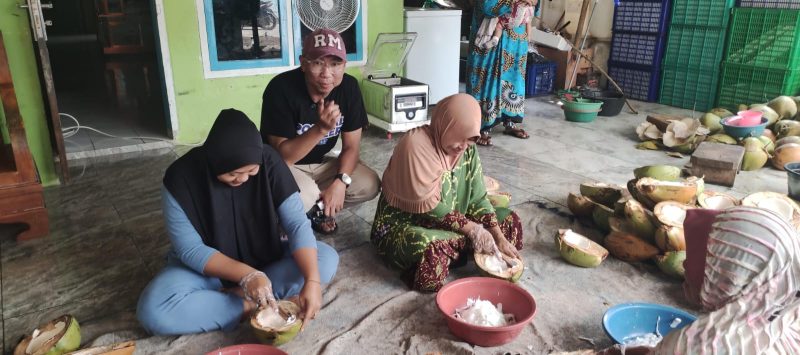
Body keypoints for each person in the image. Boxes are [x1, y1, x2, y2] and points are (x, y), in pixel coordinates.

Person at [137, 109, 339, 335]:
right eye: (233, 174)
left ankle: (238, 299)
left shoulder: (269, 161)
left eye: (251, 172)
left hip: (265, 258)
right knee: (153, 310)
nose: (242, 179)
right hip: (205, 271)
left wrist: (312, 281)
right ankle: (249, 304)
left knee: (325, 258)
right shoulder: (180, 179)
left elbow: (297, 225)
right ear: (214, 162)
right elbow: (190, 249)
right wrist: (248, 276)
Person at [370, 94, 523, 292]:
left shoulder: (467, 148)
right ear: (447, 124)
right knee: (430, 248)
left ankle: (459, 249)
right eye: (460, 137)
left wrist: (497, 235)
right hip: (408, 225)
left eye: (469, 141)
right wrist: (473, 230)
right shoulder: (415, 145)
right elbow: (428, 206)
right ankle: (457, 248)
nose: (462, 147)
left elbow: (477, 198)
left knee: (509, 222)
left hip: (455, 222)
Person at [596, 206, 800, 354]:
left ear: (732, 275)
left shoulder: (702, 347)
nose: (684, 265)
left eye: (708, 259)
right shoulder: (784, 321)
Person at [261, 28, 380, 235]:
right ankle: (289, 216)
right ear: (303, 63)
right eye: (318, 63)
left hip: (321, 164)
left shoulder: (349, 88)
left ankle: (315, 211)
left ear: (344, 65)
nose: (327, 74)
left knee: (369, 183)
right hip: (283, 166)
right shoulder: (280, 88)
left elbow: (352, 147)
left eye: (335, 64)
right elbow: (283, 155)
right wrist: (321, 128)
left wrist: (340, 182)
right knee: (305, 194)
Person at [467, 0, 536, 146]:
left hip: (516, 35)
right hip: (489, 32)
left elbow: (535, 6)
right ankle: (480, 127)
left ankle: (510, 121)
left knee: (514, 79)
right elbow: (486, 6)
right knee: (486, 78)